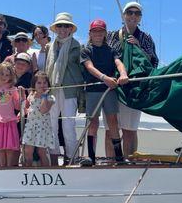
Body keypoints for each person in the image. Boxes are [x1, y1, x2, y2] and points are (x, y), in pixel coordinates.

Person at [107, 1, 159, 157]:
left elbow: (153, 61)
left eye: (137, 13)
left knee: (130, 130)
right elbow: (106, 56)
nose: (133, 16)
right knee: (111, 130)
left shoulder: (145, 38)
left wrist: (138, 47)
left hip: (134, 88)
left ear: (140, 18)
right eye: (130, 12)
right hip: (114, 86)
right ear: (123, 15)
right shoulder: (112, 35)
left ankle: (130, 161)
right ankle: (111, 162)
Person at [81, 19, 129, 164]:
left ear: (105, 33)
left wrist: (123, 74)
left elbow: (119, 63)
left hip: (109, 90)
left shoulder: (111, 50)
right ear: (90, 34)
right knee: (93, 122)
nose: (98, 34)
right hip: (93, 90)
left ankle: (119, 157)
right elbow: (89, 67)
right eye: (95, 31)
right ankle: (91, 157)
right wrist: (104, 78)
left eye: (100, 31)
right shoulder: (86, 50)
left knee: (113, 122)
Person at [45, 12, 83, 166]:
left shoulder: (76, 45)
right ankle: (53, 158)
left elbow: (80, 69)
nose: (62, 28)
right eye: (59, 25)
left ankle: (71, 158)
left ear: (70, 29)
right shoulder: (50, 46)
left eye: (65, 25)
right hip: (53, 89)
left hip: (69, 89)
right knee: (52, 124)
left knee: (68, 126)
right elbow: (48, 68)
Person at [22, 72, 56, 167]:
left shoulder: (50, 98)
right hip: (31, 126)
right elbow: (28, 108)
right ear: (34, 85)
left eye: (45, 83)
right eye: (39, 83)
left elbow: (43, 110)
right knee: (28, 151)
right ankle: (27, 171)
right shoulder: (31, 95)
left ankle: (45, 171)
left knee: (42, 152)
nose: (42, 85)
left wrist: (44, 96)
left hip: (42, 128)